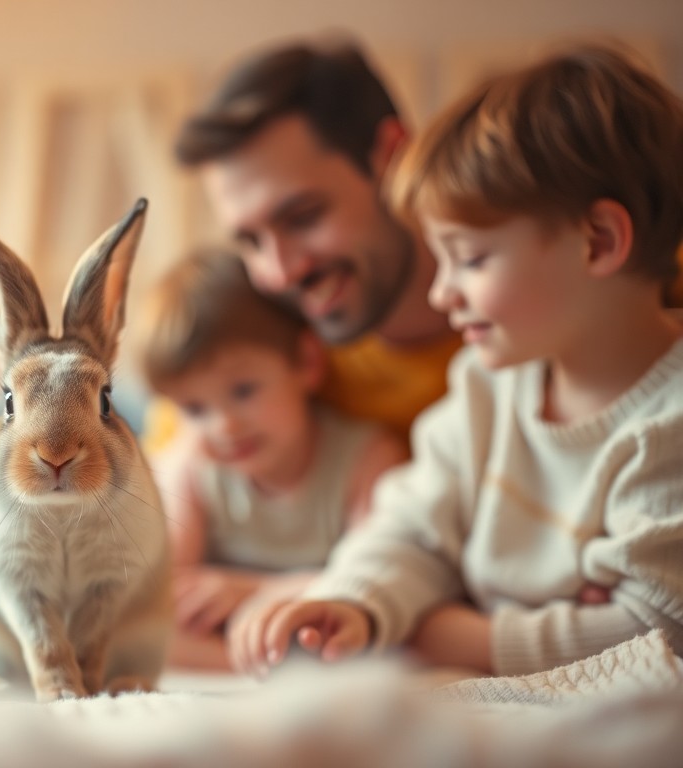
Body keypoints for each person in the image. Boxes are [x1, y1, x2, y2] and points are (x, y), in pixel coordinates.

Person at [227, 44, 683, 677]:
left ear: (598, 242)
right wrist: (353, 600)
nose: (443, 294)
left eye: (470, 259)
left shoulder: (669, 424)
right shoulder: (486, 387)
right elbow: (413, 525)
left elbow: (654, 631)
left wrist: (449, 635)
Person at [167, 38, 462, 442]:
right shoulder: (258, 335)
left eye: (303, 217)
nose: (280, 273)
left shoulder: (533, 321)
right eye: (251, 242)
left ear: (394, 156)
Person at [139, 248, 406, 669]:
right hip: (237, 649)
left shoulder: (367, 459)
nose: (223, 426)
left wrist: (246, 590)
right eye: (194, 409)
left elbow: (383, 582)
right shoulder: (193, 468)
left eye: (244, 390)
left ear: (307, 361)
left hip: (329, 628)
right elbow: (157, 597)